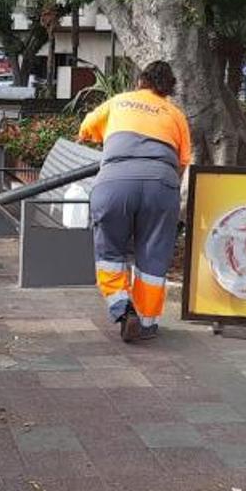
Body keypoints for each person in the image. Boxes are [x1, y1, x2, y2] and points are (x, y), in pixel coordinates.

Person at [77, 61, 191, 343]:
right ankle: (147, 323)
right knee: (153, 255)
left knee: (110, 251)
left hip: (115, 182)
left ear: (140, 81)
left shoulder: (120, 101)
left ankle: (122, 306)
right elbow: (184, 160)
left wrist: (96, 137)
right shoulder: (175, 114)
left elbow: (87, 128)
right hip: (161, 184)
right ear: (168, 89)